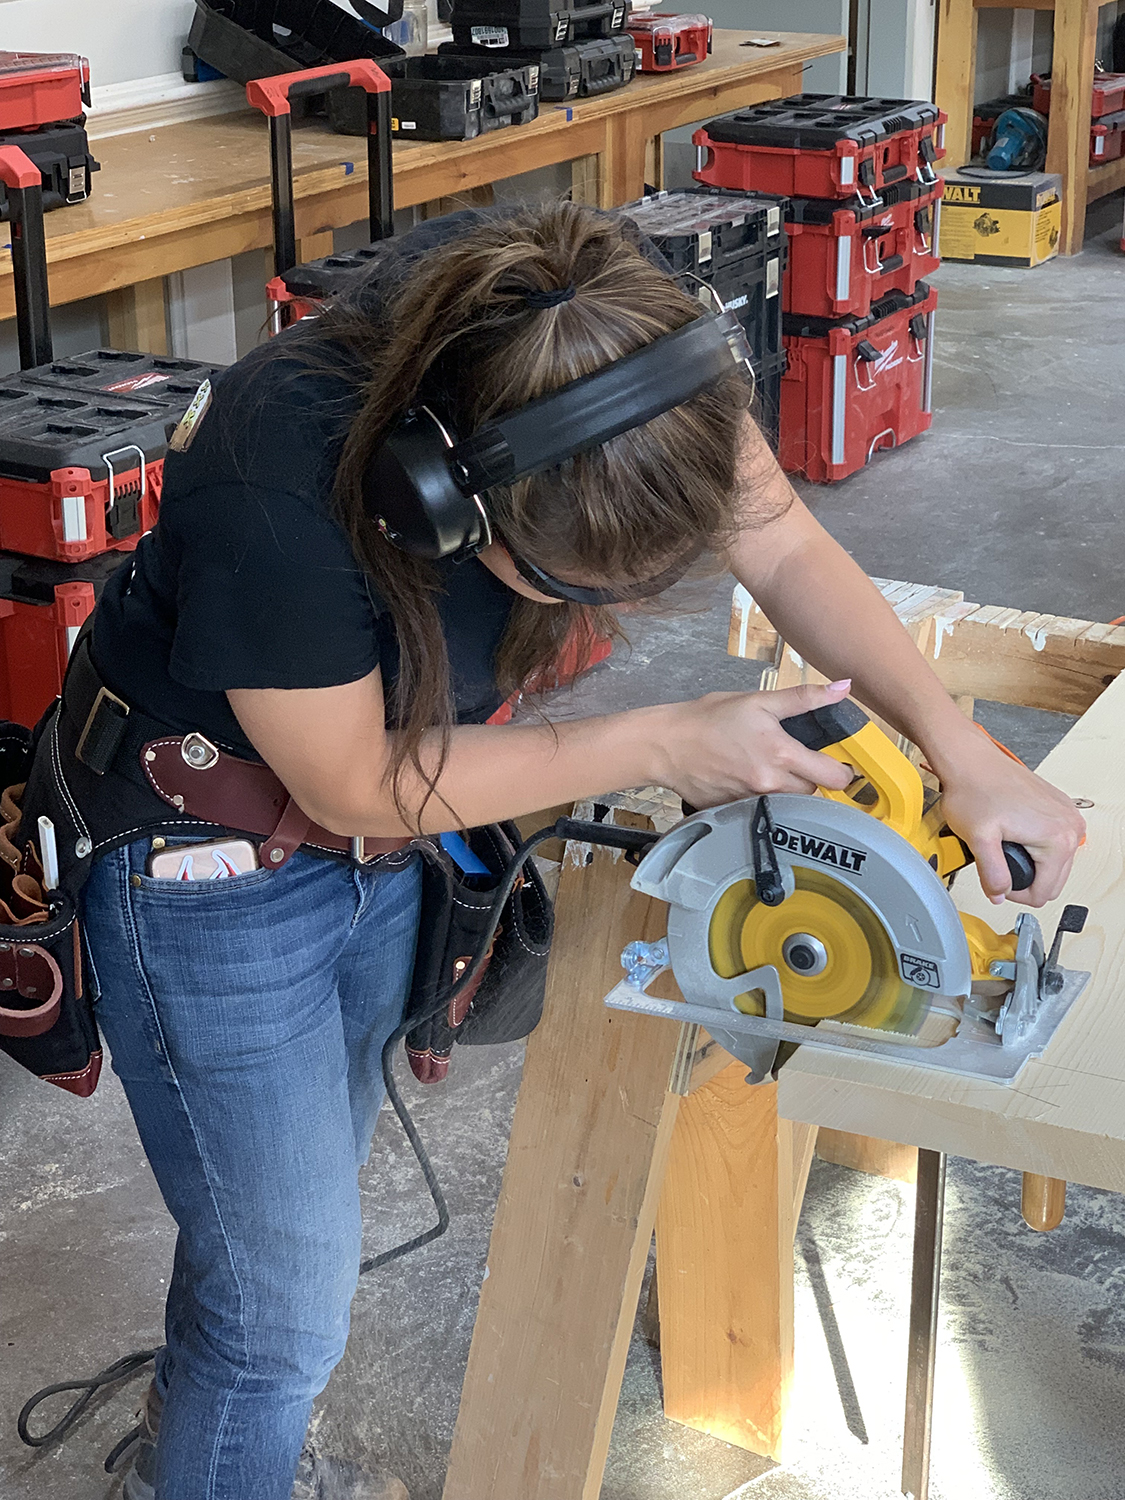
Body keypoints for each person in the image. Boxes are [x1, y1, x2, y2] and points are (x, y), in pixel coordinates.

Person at [39, 201, 1082, 1500]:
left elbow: (783, 538)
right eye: (582, 590)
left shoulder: (614, 354)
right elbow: (356, 779)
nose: (616, 614)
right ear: (446, 506)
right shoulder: (276, 471)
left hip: (376, 838)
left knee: (268, 1243)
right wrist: (664, 737)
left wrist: (956, 748)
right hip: (205, 868)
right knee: (287, 1312)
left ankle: (200, 1434)